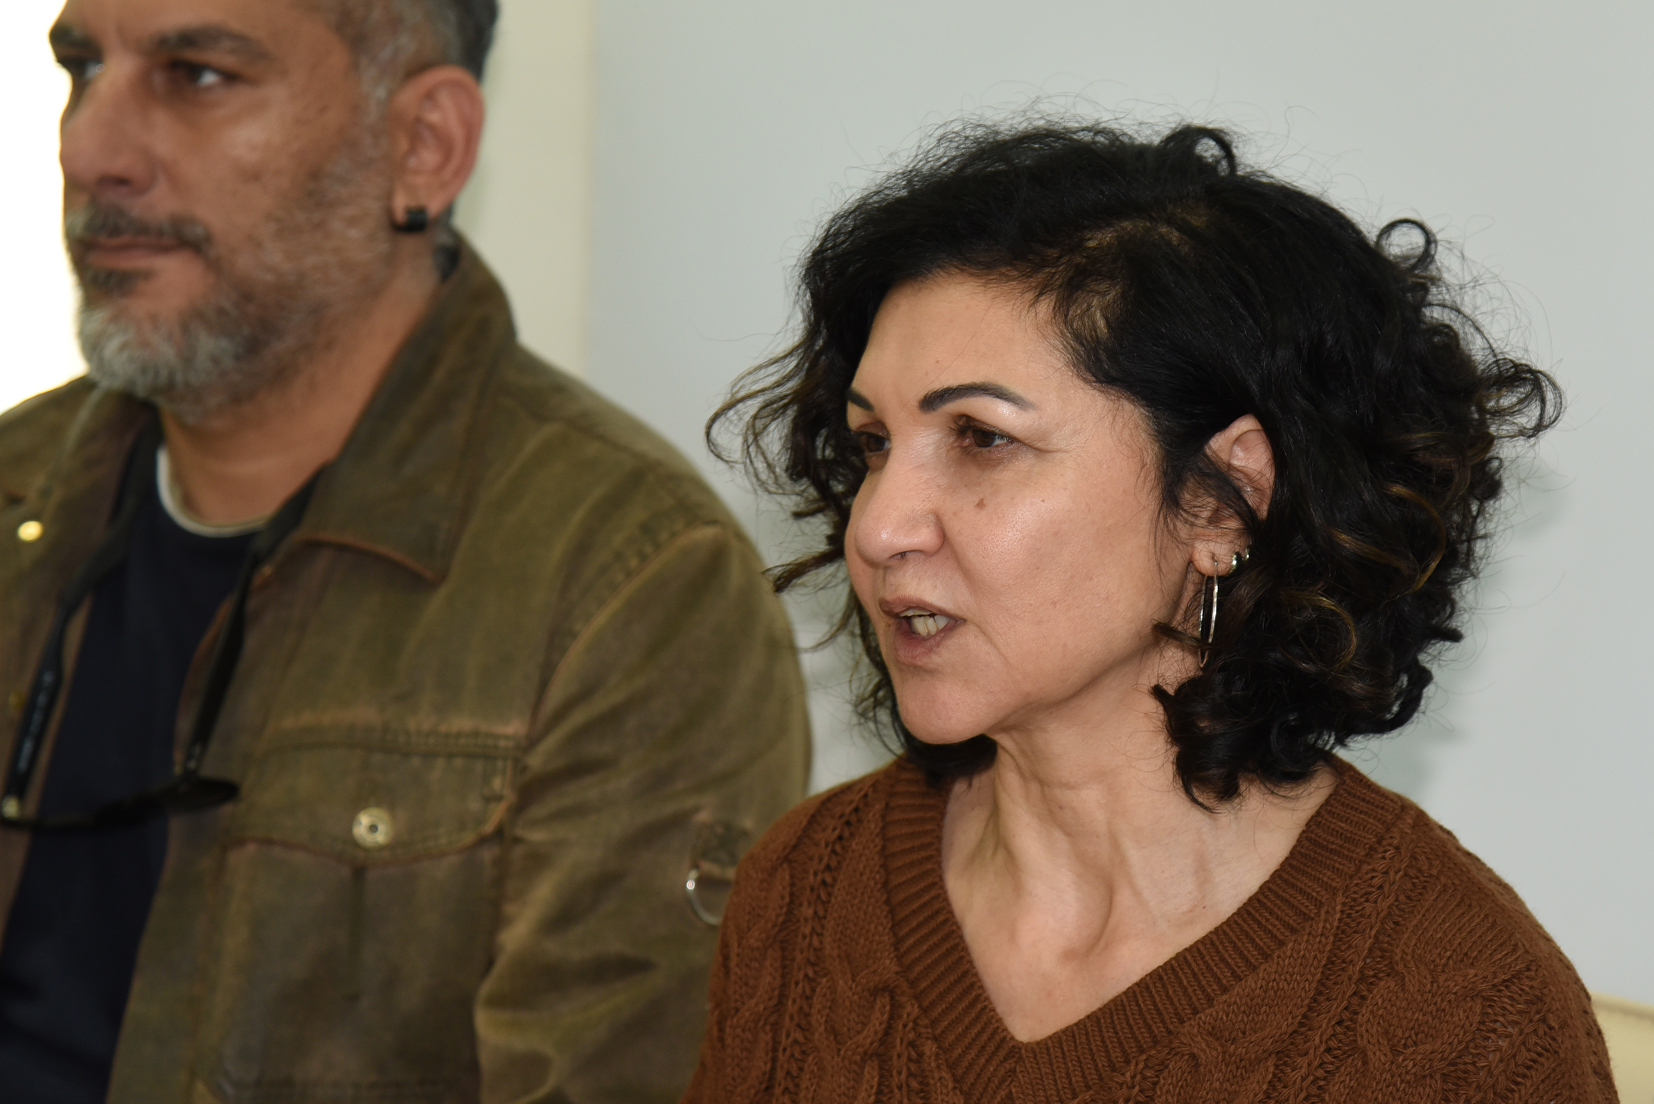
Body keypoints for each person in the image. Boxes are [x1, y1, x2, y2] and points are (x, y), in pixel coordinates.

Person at [685, 121, 1615, 1102]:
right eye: (874, 443)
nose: (878, 528)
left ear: (1224, 501)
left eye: (982, 439)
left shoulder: (1462, 1022)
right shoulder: (808, 887)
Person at [0, 0, 809, 1100]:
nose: (90, 149)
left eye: (196, 74)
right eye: (81, 68)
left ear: (423, 145)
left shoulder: (633, 587)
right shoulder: (21, 483)